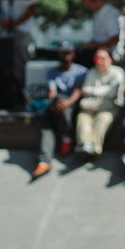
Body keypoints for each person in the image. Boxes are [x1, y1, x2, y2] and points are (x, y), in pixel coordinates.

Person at [31, 42, 87, 180]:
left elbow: (78, 91)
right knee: (46, 125)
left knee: (62, 106)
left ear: (73, 54)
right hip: (57, 105)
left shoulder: (81, 71)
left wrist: (67, 103)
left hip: (73, 105)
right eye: (62, 52)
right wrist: (56, 102)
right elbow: (52, 91)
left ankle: (67, 138)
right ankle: (45, 161)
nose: (65, 55)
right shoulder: (52, 72)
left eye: (68, 52)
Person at [75, 48, 125, 157]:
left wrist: (93, 92)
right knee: (83, 118)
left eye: (102, 58)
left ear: (110, 59)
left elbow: (113, 92)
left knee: (102, 119)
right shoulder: (92, 71)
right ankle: (85, 145)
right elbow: (84, 90)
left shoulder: (118, 72)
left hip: (108, 108)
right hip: (91, 107)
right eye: (97, 58)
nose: (99, 61)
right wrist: (103, 92)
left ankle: (95, 149)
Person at [76, 0, 125, 66]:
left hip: (111, 54)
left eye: (86, 1)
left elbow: (114, 40)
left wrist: (89, 46)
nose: (85, 4)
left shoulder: (110, 13)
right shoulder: (97, 13)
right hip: (96, 50)